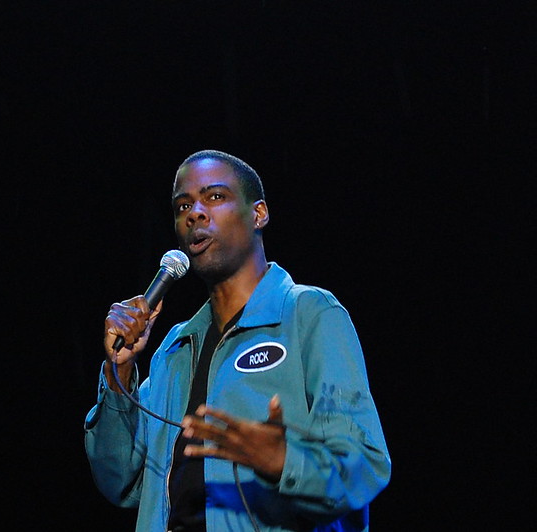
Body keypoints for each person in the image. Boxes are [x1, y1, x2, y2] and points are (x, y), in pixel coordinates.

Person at [84, 150, 391, 532]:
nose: (195, 214)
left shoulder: (309, 314)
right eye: (183, 206)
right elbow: (119, 481)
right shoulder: (175, 349)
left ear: (258, 214)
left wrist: (285, 461)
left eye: (214, 196)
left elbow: (364, 466)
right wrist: (119, 372)